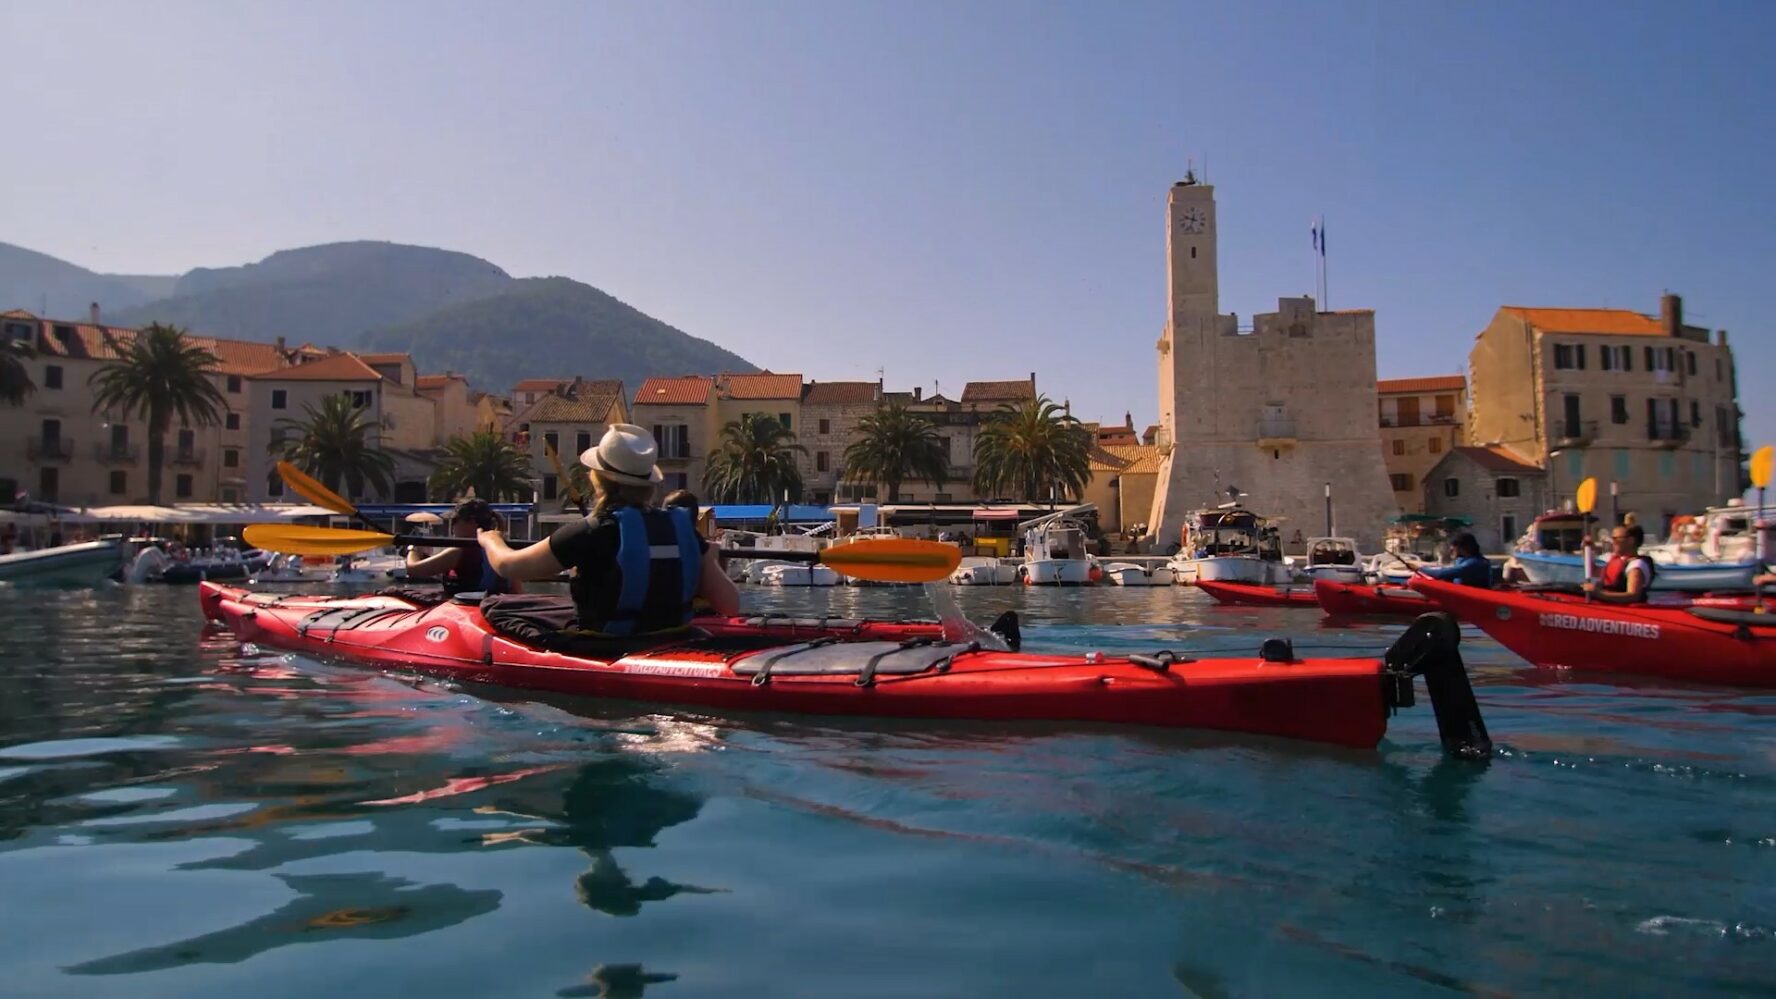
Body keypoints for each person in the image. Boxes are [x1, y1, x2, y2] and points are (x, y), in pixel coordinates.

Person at [480, 424, 740, 634]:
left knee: (497, 606)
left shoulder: (591, 531)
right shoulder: (683, 529)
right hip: (672, 635)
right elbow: (730, 605)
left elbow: (510, 566)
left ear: (597, 479)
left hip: (608, 642)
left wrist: (490, 539)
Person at [405, 498, 515, 596]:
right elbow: (517, 591)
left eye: (455, 521)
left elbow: (413, 569)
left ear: (472, 522)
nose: (452, 526)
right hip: (493, 608)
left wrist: (414, 549)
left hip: (464, 611)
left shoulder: (458, 551)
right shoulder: (504, 549)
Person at [1583, 524, 1656, 603]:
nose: (1612, 542)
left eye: (1615, 539)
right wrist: (1586, 550)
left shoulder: (1636, 566)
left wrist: (1599, 594)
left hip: (1628, 610)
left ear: (1631, 540)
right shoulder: (1619, 560)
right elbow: (1593, 571)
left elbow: (1633, 596)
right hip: (1610, 605)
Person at [1416, 532, 1491, 588]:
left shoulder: (1475, 563)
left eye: (1454, 547)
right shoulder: (1464, 560)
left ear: (1463, 548)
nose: (1451, 550)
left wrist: (1419, 568)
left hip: (1470, 599)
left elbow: (1440, 574)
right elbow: (1447, 571)